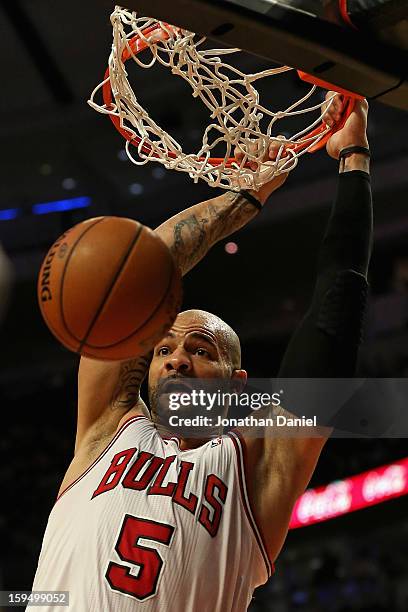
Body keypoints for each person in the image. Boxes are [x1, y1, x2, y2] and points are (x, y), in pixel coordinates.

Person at [31, 93, 372, 611]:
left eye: (200, 348)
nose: (176, 357)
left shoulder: (253, 469)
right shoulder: (107, 428)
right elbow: (147, 264)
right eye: (163, 347)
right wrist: (246, 195)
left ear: (236, 386)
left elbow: (335, 315)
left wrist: (354, 160)